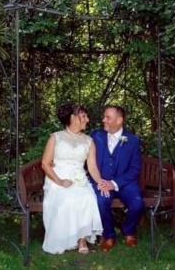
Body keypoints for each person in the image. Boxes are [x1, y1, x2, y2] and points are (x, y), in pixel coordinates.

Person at [41, 103, 107, 254]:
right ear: (72, 118)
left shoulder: (88, 141)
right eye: (83, 116)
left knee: (88, 198)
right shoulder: (55, 137)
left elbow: (92, 167)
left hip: (79, 179)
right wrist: (60, 181)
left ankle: (82, 239)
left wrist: (100, 182)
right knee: (68, 198)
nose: (87, 119)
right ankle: (67, 237)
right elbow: (45, 164)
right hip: (57, 178)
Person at [91, 105, 144, 251]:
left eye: (108, 117)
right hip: (101, 181)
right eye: (104, 116)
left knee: (137, 204)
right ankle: (109, 235)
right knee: (101, 201)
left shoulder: (132, 140)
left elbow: (134, 169)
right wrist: (101, 181)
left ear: (119, 120)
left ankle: (128, 231)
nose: (103, 120)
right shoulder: (96, 136)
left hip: (125, 183)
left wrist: (114, 183)